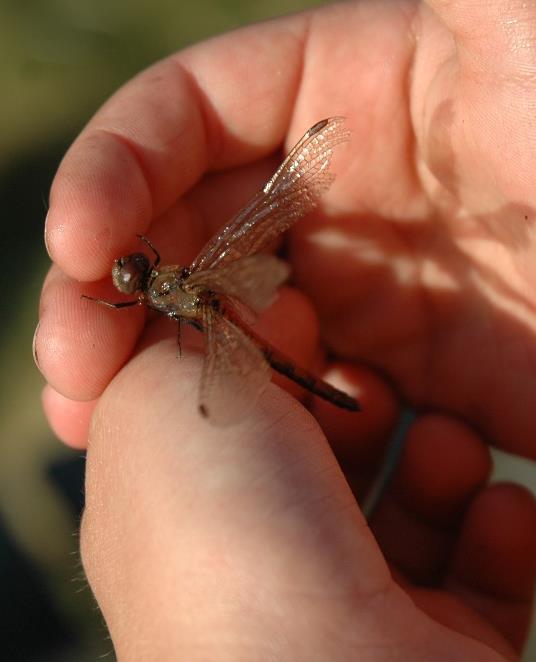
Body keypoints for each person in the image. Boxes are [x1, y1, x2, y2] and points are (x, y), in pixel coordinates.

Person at [35, 1, 536, 659]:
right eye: (129, 276)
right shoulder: (178, 277)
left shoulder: (168, 293)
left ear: (148, 270)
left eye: (131, 270)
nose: (127, 274)